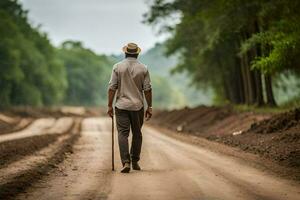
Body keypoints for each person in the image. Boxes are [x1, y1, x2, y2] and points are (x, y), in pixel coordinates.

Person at [107, 42, 152, 173]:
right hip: (138, 106)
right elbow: (148, 89)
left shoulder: (117, 67)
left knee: (122, 134)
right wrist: (150, 106)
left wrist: (109, 105)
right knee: (137, 134)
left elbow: (111, 88)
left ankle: (126, 162)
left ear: (125, 52)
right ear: (137, 53)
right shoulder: (143, 68)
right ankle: (135, 160)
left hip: (121, 106)